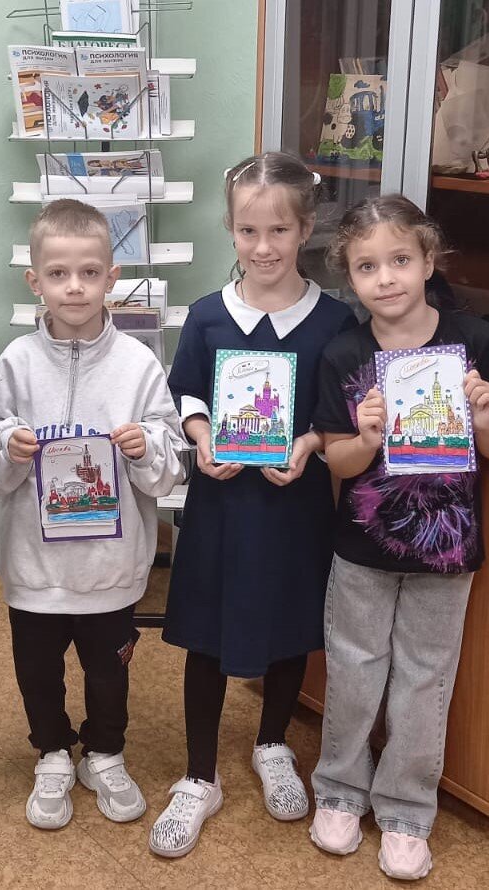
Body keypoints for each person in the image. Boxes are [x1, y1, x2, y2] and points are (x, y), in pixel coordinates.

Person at [149, 152, 357, 858]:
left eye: (278, 231)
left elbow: (336, 413)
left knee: (290, 623)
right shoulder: (208, 315)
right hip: (221, 502)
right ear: (230, 229)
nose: (263, 247)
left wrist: (308, 444)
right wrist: (202, 436)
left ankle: (273, 743)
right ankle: (198, 775)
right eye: (247, 231)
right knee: (206, 631)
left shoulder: (335, 321)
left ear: (306, 229)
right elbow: (185, 394)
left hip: (293, 505)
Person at [0, 199, 184, 831]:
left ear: (112, 277)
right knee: (37, 672)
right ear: (34, 280)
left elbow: (171, 455)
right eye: (59, 274)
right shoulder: (15, 361)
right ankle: (53, 753)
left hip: (109, 568)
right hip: (35, 567)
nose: (75, 287)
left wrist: (146, 446)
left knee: (109, 674)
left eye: (90, 273)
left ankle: (106, 753)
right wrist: (6, 444)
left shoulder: (138, 364)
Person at [308, 194, 489, 881]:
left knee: (424, 678)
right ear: (349, 275)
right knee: (354, 669)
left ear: (427, 259)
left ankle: (408, 812)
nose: (385, 278)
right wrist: (367, 436)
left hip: (447, 551)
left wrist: (478, 417)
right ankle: (338, 792)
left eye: (399, 261)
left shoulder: (473, 341)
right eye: (366, 267)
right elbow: (338, 461)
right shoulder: (344, 352)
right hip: (362, 548)